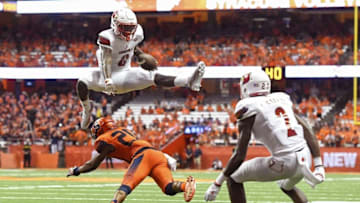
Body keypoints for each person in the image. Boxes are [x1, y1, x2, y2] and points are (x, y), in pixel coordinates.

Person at [204, 70, 325, 203]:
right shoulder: (281, 99)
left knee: (232, 177)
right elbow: (306, 129)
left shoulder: (248, 106)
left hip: (285, 163)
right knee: (286, 186)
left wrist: (217, 183)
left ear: (246, 87)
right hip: (306, 158)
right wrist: (319, 165)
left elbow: (240, 154)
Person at [77, 7, 206, 129]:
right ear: (114, 24)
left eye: (130, 27)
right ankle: (87, 109)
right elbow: (107, 60)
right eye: (124, 27)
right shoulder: (107, 37)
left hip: (125, 75)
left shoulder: (137, 32)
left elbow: (130, 46)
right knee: (82, 81)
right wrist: (108, 80)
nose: (128, 31)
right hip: (106, 77)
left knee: (152, 76)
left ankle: (188, 80)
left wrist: (141, 55)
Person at [67, 117, 196, 203]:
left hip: (142, 156)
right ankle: (186, 185)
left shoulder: (104, 139)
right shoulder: (124, 130)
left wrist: (77, 170)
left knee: (124, 188)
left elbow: (93, 164)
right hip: (156, 154)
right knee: (168, 188)